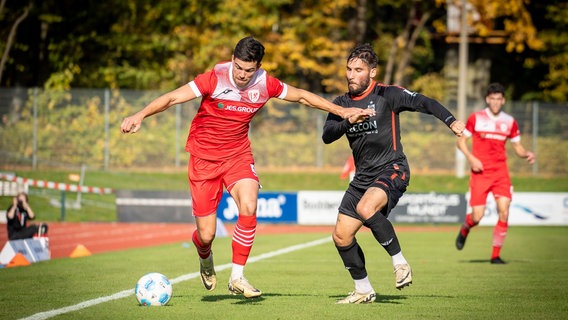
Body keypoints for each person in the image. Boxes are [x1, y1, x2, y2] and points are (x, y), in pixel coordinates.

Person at [120, 36, 373, 299]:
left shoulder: (265, 83)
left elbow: (301, 97)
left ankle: (237, 277)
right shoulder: (214, 78)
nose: (242, 75)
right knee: (206, 235)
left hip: (237, 155)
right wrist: (140, 115)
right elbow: (173, 98)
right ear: (232, 60)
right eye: (238, 67)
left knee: (250, 206)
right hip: (203, 159)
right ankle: (205, 257)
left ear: (258, 67)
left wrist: (341, 111)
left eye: (249, 70)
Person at [322, 43, 465, 304]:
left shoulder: (387, 95)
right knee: (341, 236)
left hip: (392, 168)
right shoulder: (341, 103)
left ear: (372, 73)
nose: (351, 75)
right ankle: (363, 289)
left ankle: (400, 263)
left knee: (367, 208)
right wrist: (347, 120)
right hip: (362, 178)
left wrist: (451, 121)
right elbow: (327, 136)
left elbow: (425, 101)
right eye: (348, 69)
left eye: (358, 70)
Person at [455, 82, 535, 264]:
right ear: (487, 99)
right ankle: (466, 227)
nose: (496, 102)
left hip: (501, 173)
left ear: (503, 100)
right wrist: (471, 158)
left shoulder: (510, 122)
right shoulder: (476, 118)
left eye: (499, 99)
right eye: (493, 99)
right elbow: (461, 142)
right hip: (480, 173)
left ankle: (495, 256)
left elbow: (518, 147)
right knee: (477, 216)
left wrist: (527, 154)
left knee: (504, 212)